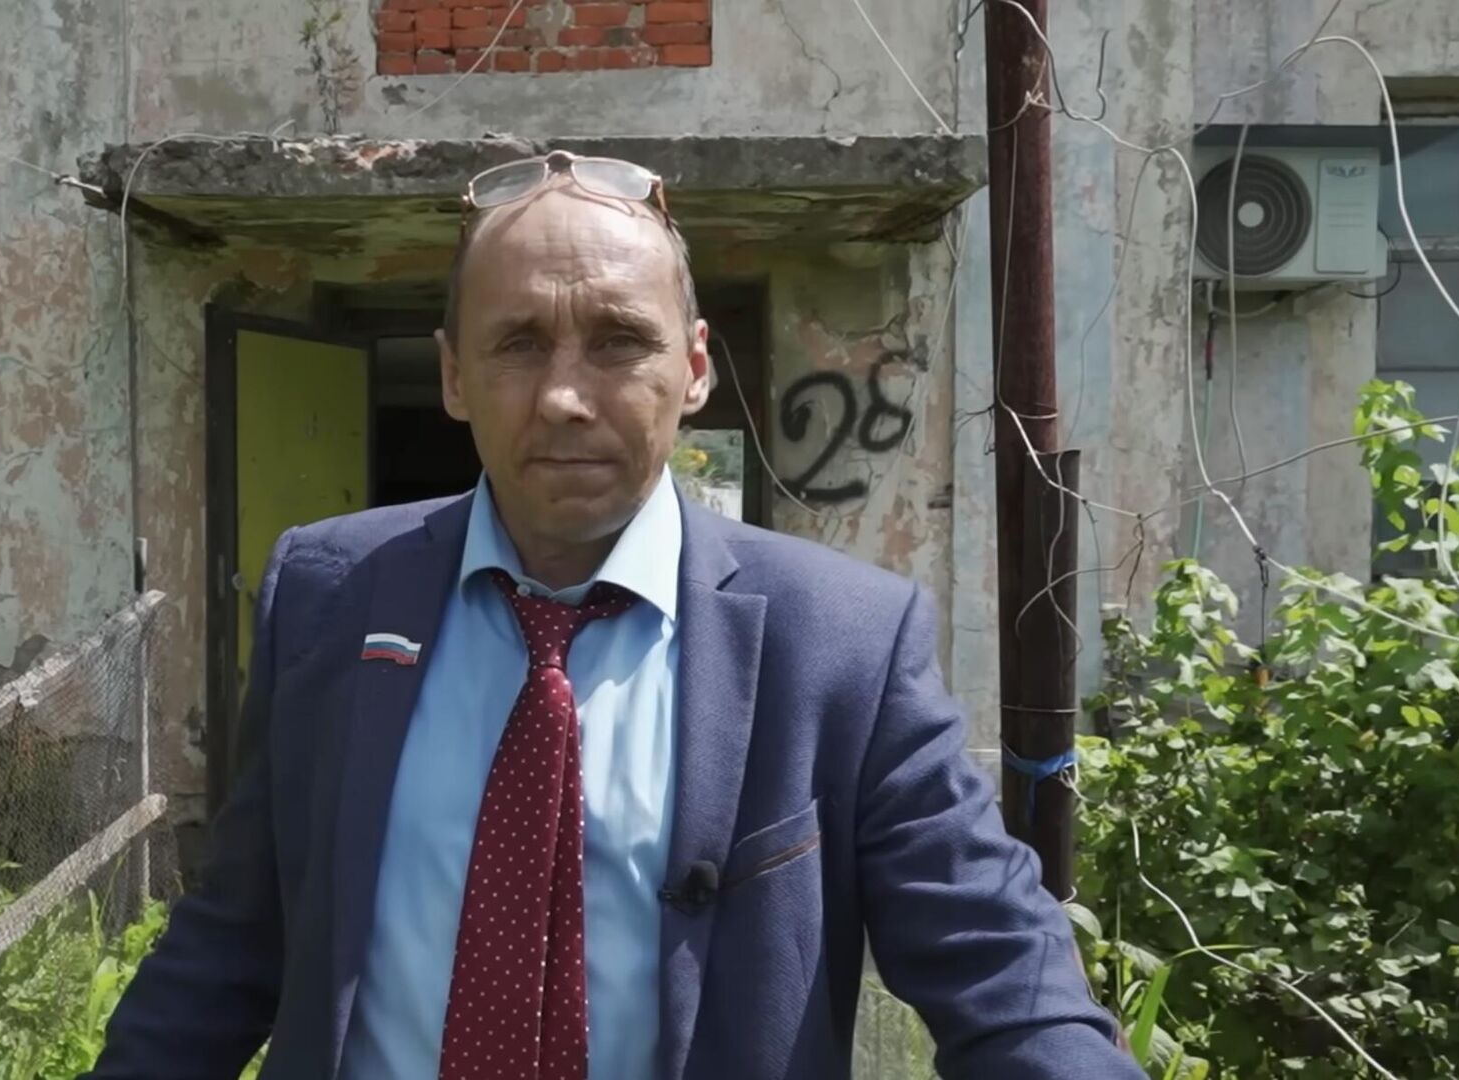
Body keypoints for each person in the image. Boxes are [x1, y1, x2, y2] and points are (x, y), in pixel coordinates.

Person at [89, 151, 1140, 1079]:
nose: (564, 396)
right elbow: (232, 941)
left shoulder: (844, 644)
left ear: (693, 369)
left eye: (618, 341)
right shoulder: (331, 593)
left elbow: (1003, 978)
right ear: (452, 374)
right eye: (517, 344)